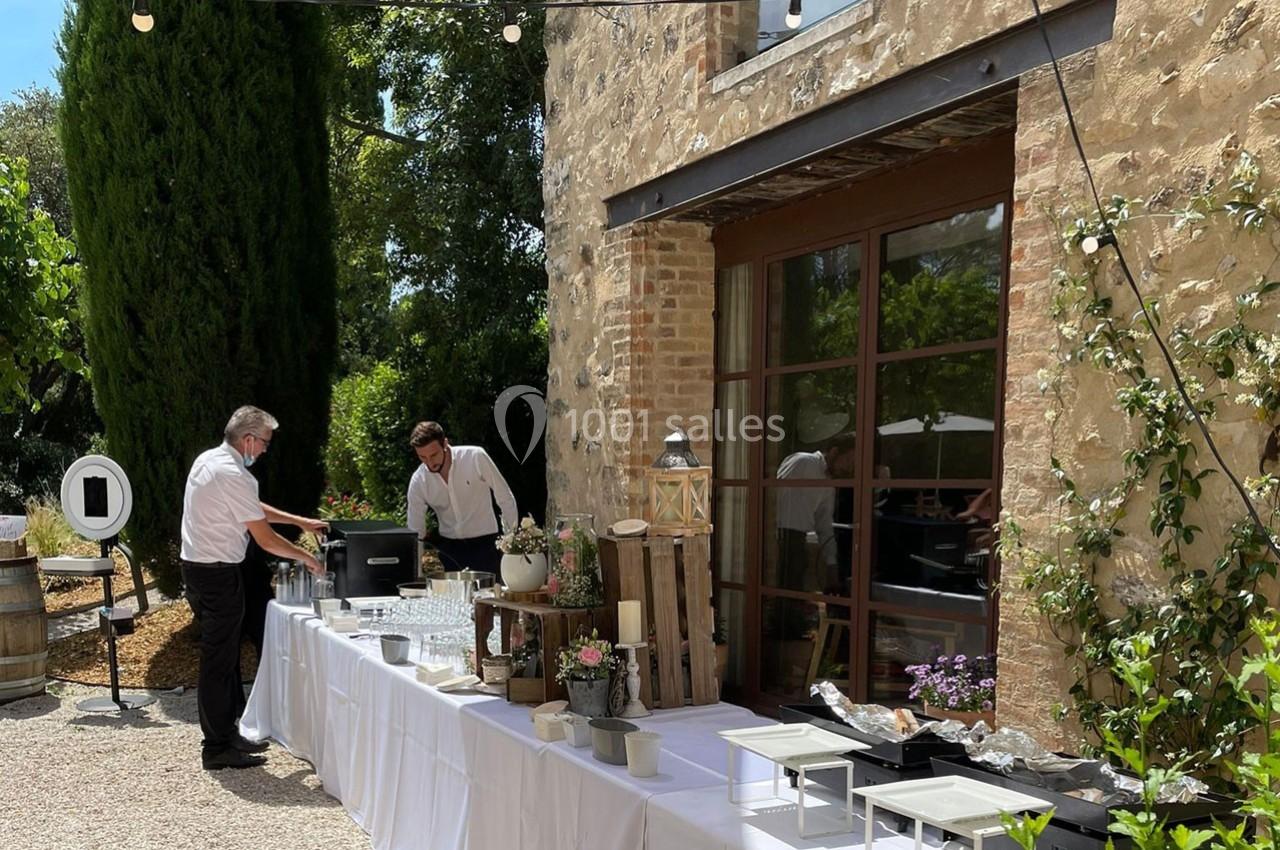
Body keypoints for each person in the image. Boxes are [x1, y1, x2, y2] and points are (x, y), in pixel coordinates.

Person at [180, 406, 328, 771]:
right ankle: (216, 747)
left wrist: (299, 521)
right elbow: (264, 538)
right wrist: (307, 560)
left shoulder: (211, 461)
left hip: (199, 571)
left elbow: (251, 509)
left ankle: (228, 734)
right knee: (219, 661)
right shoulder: (234, 473)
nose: (264, 450)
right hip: (217, 575)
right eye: (264, 443)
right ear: (248, 439)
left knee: (226, 658)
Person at [406, 421, 517, 574]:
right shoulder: (419, 480)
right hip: (449, 551)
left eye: (434, 455)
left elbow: (505, 498)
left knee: (490, 596)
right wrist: (415, 574)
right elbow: (415, 530)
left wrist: (511, 545)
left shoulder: (475, 457)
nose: (430, 462)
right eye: (422, 457)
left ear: (445, 443)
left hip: (486, 546)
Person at [774, 434, 857, 594]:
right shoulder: (804, 462)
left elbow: (824, 522)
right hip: (781, 535)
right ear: (834, 452)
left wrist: (832, 563)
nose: (849, 468)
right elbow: (776, 497)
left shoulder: (828, 484)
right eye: (848, 461)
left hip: (799, 538)